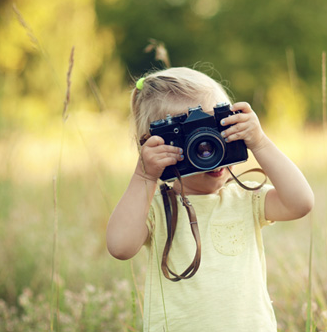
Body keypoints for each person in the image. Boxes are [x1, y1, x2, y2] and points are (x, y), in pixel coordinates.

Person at [106, 67, 314, 331]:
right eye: (191, 137)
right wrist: (144, 177)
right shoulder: (157, 207)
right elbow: (120, 247)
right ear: (156, 144)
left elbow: (302, 203)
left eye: (214, 129)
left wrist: (260, 143)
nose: (208, 146)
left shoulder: (246, 197)